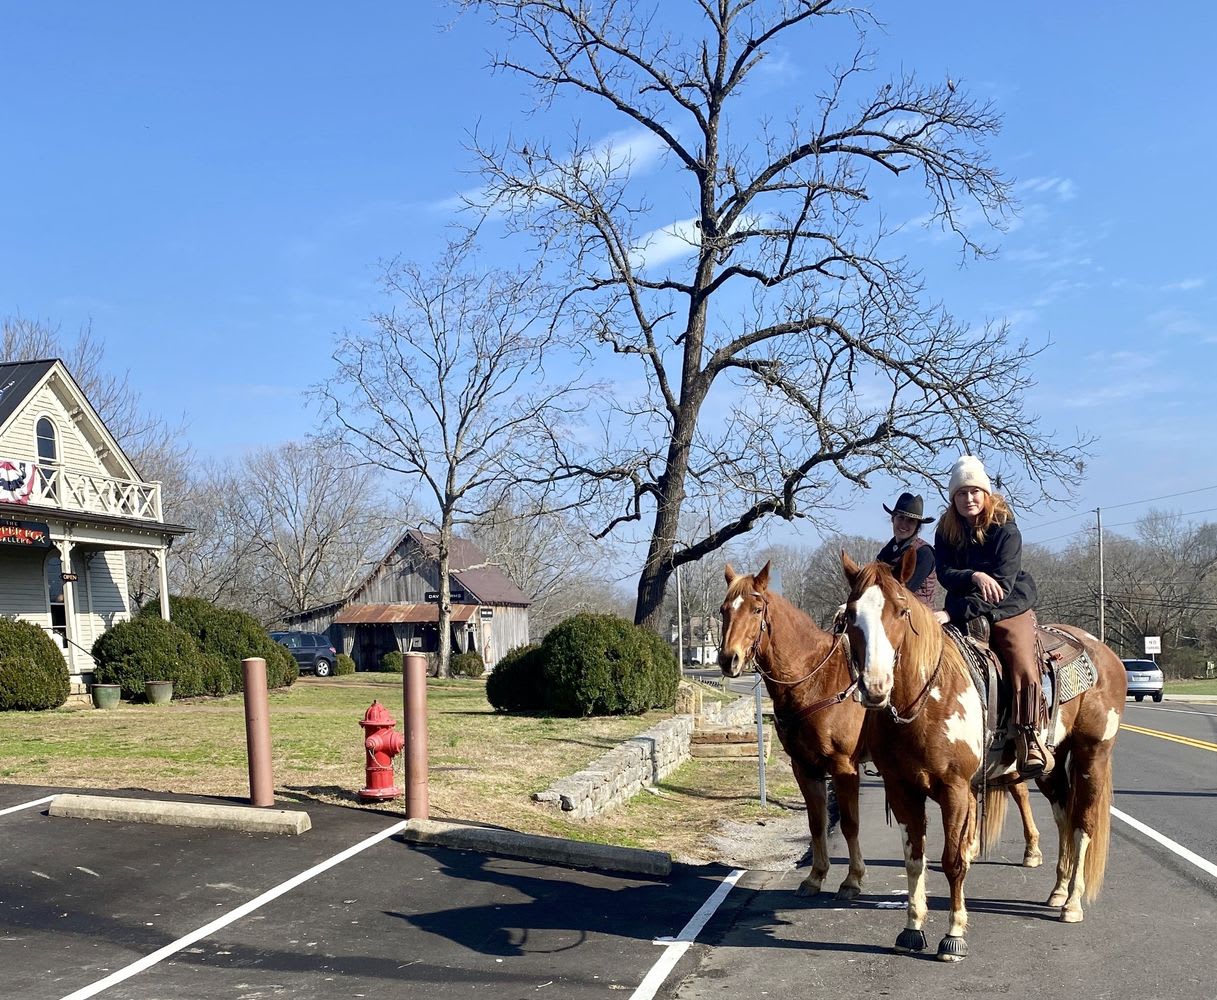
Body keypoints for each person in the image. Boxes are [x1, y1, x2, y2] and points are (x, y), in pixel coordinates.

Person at [933, 456, 1053, 778]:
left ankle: (1029, 734)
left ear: (986, 494)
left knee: (1018, 653)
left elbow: (1000, 587)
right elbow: (944, 572)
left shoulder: (1006, 529)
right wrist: (973, 575)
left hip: (1008, 603)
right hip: (964, 600)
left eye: (974, 491)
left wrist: (951, 612)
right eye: (961, 493)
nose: (968, 499)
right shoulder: (946, 530)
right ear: (953, 498)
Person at [876, 492, 937, 607]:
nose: (904, 524)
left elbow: (905, 590)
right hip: (888, 608)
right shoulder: (886, 551)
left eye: (911, 520)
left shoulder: (924, 553)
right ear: (893, 519)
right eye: (901, 518)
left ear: (917, 526)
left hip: (916, 613)